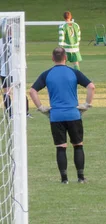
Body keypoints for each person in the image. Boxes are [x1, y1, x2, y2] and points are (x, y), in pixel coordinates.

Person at [29, 47, 95, 184]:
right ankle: (81, 177)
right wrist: (87, 104)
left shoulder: (47, 74)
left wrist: (41, 107)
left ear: (52, 58)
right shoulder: (74, 72)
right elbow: (91, 87)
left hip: (56, 116)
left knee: (61, 147)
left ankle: (64, 179)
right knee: (78, 145)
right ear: (66, 57)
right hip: (73, 114)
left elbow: (32, 91)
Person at [1, 17, 32, 118]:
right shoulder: (19, 41)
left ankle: (11, 114)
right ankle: (25, 113)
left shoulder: (1, 42)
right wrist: (24, 68)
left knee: (7, 92)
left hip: (5, 70)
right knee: (20, 90)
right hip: (16, 69)